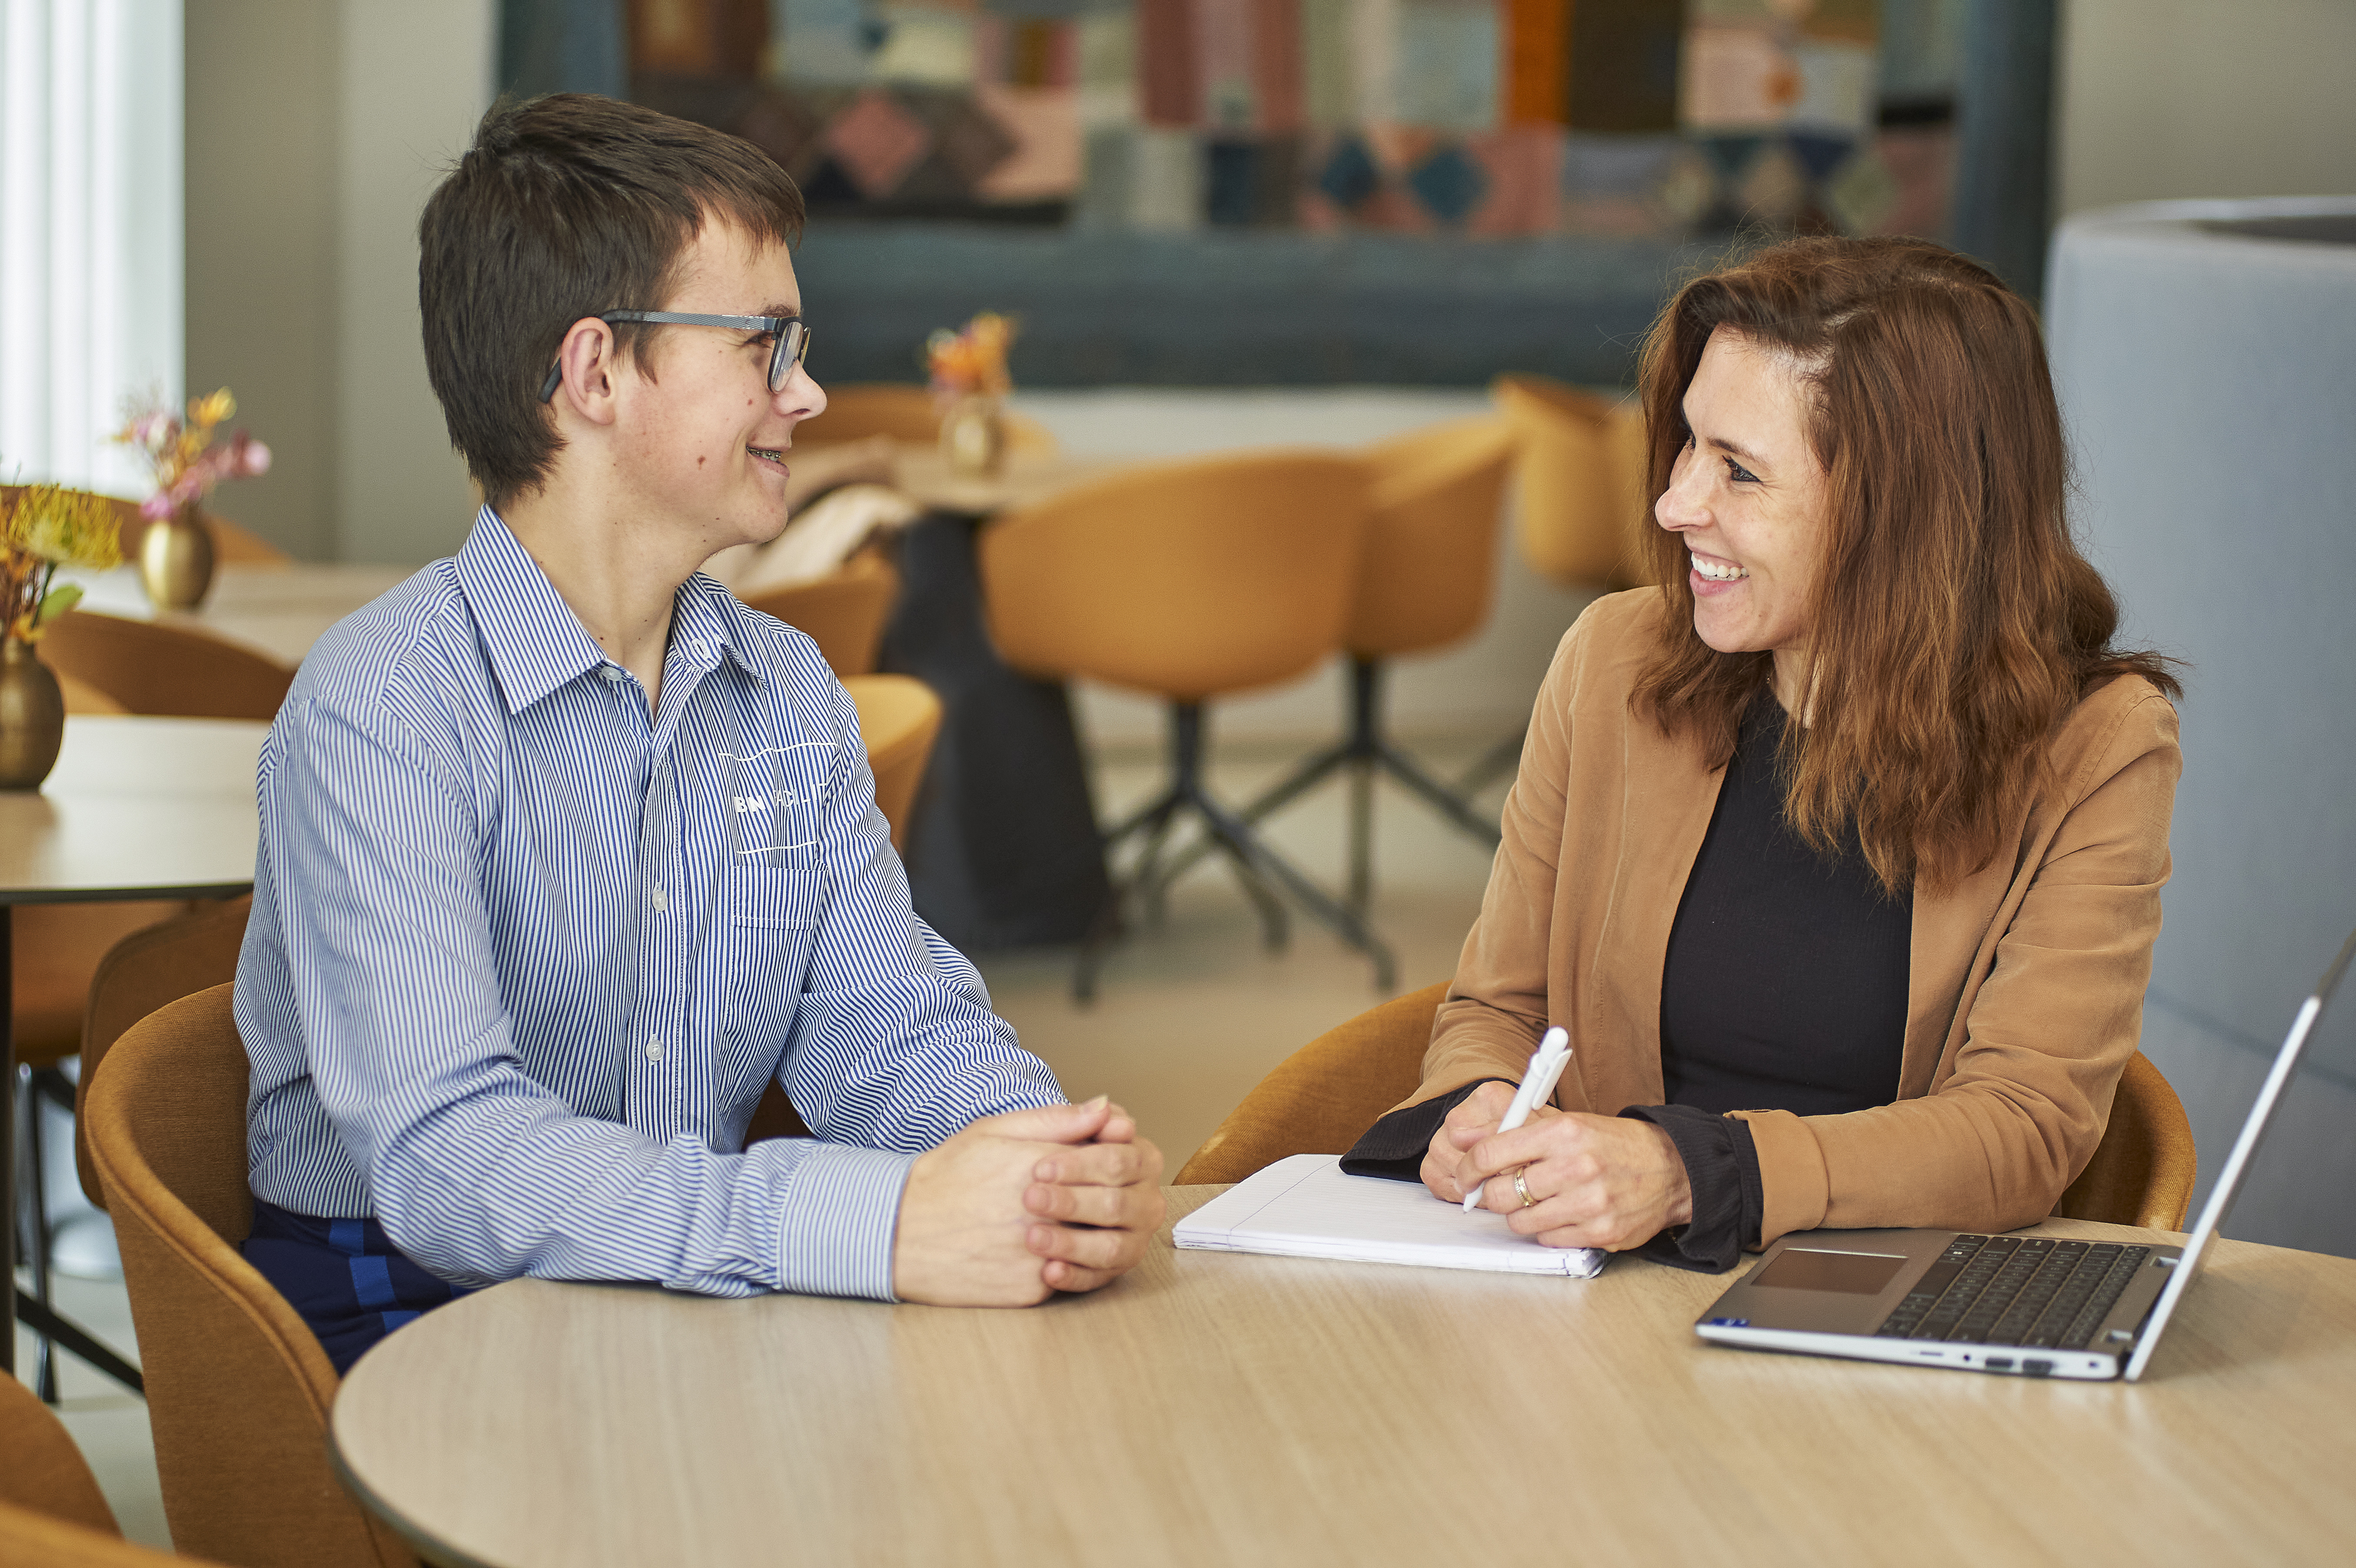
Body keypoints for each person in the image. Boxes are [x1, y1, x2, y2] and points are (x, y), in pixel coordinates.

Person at [237, 93, 1163, 1373]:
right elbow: (451, 1162)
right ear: (597, 373)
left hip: (681, 1284)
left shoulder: (782, 687)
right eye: (764, 346)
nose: (810, 392)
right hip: (414, 1322)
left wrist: (1043, 1156)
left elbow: (886, 1029)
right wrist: (873, 1225)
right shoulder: (383, 706)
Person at [1341, 236, 2181, 1271]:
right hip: (1590, 1300)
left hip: (1865, 1317)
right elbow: (1499, 1006)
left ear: (1901, 514)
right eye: (1687, 445)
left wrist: (1695, 1171)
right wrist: (1474, 1098)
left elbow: (2019, 1132)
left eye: (1737, 470)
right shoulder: (1609, 660)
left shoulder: (2097, 744)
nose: (1673, 502)